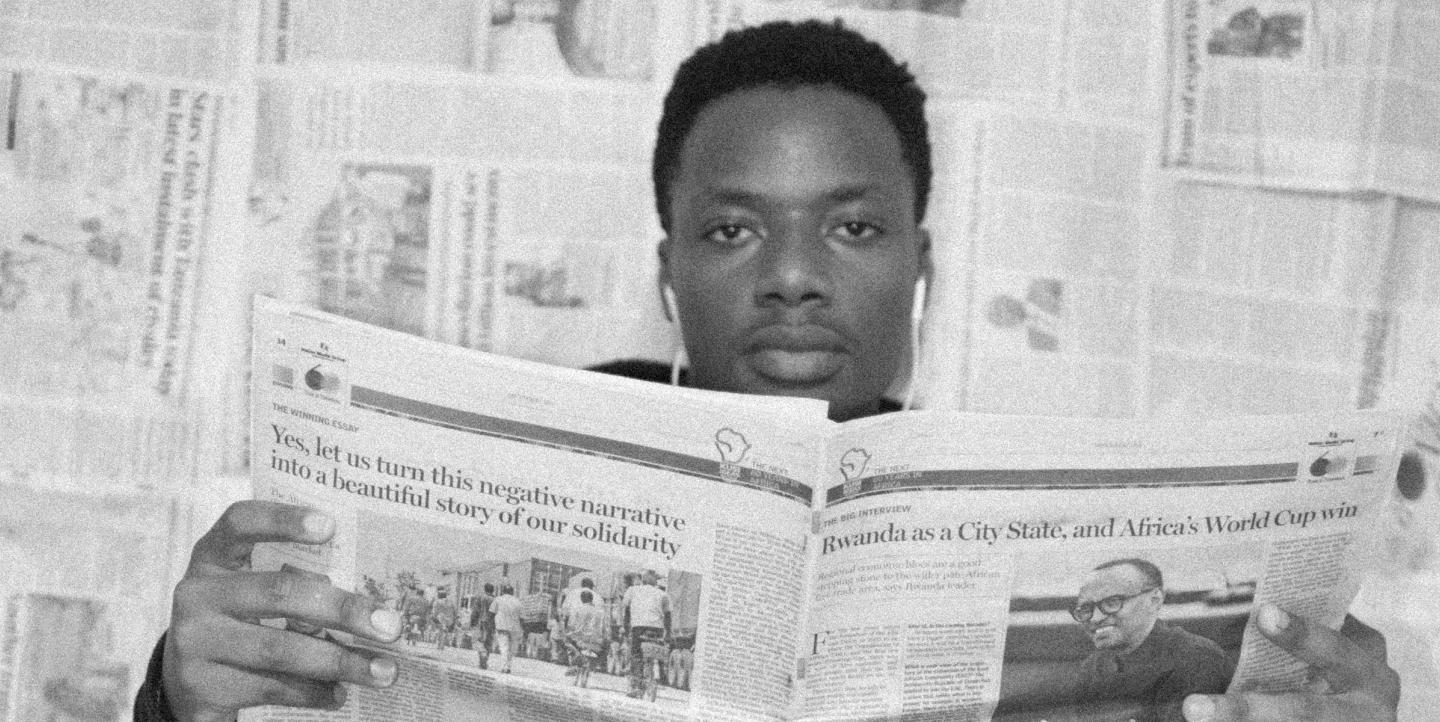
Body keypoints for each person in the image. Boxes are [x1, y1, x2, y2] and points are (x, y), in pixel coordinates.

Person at [136, 19, 1400, 721]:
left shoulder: (1027, 538)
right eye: (734, 229)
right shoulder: (507, 474)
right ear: (670, 266)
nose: (793, 275)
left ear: (923, 266)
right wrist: (180, 702)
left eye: (851, 227)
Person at [1067, 559, 1233, 722]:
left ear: (1155, 600)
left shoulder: (1197, 658)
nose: (1095, 618)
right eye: (1085, 609)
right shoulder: (1093, 667)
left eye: (1112, 602)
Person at [622, 567, 673, 698]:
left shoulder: (632, 590)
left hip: (638, 628)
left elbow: (626, 610)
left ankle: (636, 687)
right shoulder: (663, 594)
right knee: (656, 651)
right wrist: (668, 633)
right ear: (655, 581)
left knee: (636, 655)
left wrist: (625, 628)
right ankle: (658, 675)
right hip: (657, 628)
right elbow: (668, 615)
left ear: (642, 579)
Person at [489, 584, 524, 674]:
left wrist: (492, 625)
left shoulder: (498, 599)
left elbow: (491, 613)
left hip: (501, 627)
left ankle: (504, 667)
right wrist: (522, 629)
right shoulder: (518, 602)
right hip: (514, 628)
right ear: (512, 592)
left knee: (504, 647)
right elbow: (522, 618)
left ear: (503, 591)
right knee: (512, 649)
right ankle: (508, 666)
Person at [469, 582, 496, 669]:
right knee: (488, 643)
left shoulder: (480, 598)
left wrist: (472, 622)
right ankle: (484, 661)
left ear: (485, 589)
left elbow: (475, 611)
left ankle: (482, 659)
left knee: (480, 641)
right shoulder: (495, 600)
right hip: (491, 624)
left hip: (481, 623)